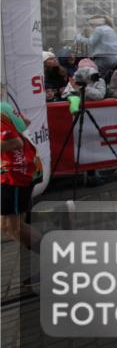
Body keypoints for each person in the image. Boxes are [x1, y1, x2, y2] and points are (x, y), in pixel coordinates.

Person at [1, 103, 41, 252]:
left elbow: (15, 142)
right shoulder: (4, 106)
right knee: (6, 226)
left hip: (15, 173)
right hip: (21, 168)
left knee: (14, 228)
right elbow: (26, 122)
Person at [75, 15, 117, 80]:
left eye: (91, 24)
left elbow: (90, 42)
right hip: (114, 58)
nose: (91, 26)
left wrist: (79, 37)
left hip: (103, 59)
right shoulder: (110, 29)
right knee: (103, 77)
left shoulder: (99, 29)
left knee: (93, 76)